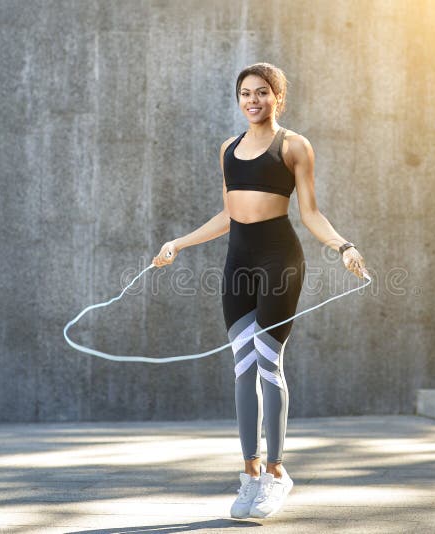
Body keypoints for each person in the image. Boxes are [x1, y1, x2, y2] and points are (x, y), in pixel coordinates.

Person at [152, 62, 368, 519]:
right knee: (242, 367)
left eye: (263, 93)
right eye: (245, 93)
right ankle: (249, 474)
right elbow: (228, 213)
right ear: (238, 100)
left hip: (279, 261)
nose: (253, 100)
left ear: (278, 98)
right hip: (238, 264)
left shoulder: (293, 146)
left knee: (269, 365)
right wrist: (178, 243)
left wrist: (344, 246)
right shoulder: (228, 148)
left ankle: (275, 473)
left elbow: (310, 213)